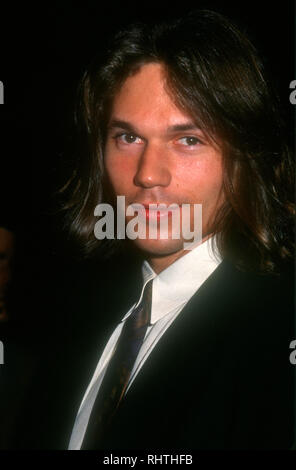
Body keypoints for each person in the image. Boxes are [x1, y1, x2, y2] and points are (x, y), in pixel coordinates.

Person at [9, 9, 295, 450]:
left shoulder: (276, 335)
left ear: (243, 159)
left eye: (188, 140)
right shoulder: (80, 318)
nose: (147, 174)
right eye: (128, 138)